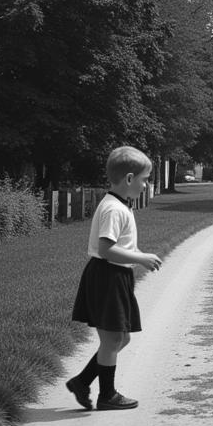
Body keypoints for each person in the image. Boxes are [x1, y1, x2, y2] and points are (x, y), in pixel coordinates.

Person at [65, 146, 162, 411]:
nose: (146, 184)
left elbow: (118, 247)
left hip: (116, 276)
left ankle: (82, 381)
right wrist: (140, 258)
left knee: (121, 338)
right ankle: (106, 395)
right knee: (112, 341)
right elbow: (106, 249)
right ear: (129, 179)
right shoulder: (113, 209)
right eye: (145, 179)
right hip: (107, 277)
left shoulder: (120, 205)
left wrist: (138, 255)